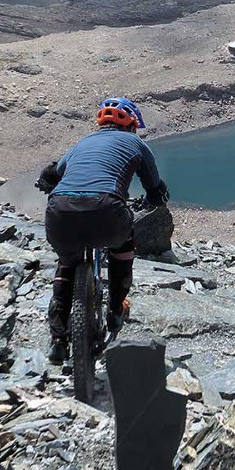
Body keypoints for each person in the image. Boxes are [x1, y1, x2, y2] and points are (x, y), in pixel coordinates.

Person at [35, 96, 169, 365]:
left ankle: (58, 340)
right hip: (107, 211)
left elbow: (51, 174)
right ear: (132, 125)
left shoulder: (80, 145)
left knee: (67, 263)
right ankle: (116, 309)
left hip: (60, 211)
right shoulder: (136, 143)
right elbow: (154, 187)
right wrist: (155, 199)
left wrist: (49, 186)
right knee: (121, 248)